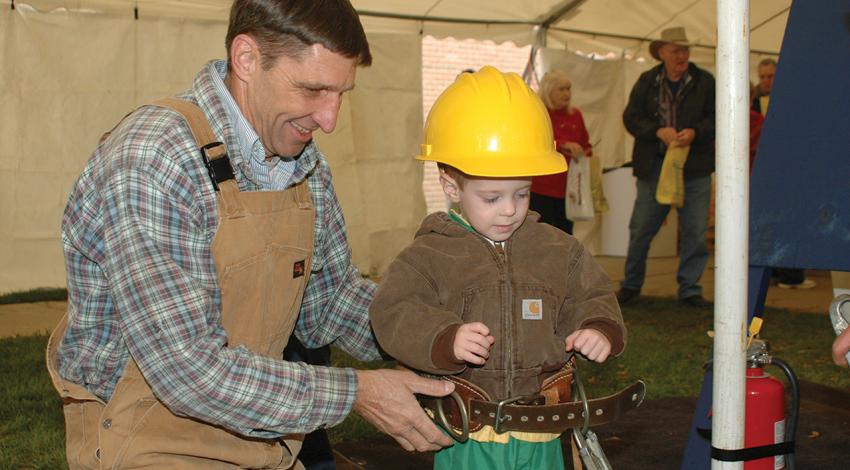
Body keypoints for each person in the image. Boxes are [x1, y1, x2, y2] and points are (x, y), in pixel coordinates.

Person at [46, 1, 455, 468]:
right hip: (149, 440)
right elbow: (186, 371)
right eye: (313, 90)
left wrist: (440, 332)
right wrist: (356, 393)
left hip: (262, 436)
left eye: (341, 93)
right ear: (246, 59)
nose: (330, 119)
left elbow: (328, 304)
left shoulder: (303, 163)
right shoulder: (156, 156)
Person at [369, 66, 626, 469]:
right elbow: (393, 312)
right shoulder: (429, 256)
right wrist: (443, 338)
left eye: (521, 193)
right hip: (467, 434)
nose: (510, 210)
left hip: (544, 432)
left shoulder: (558, 250)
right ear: (451, 186)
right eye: (491, 197)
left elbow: (591, 294)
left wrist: (598, 327)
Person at [618, 26, 715, 308]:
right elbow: (631, 117)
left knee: (695, 232)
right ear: (662, 52)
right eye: (676, 50)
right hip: (654, 168)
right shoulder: (647, 81)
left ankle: (690, 289)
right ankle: (631, 285)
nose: (682, 55)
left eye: (685, 50)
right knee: (641, 229)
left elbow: (718, 117)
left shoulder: (705, 81)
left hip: (695, 169)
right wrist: (657, 131)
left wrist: (695, 132)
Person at [530, 69, 594, 235]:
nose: (567, 93)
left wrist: (582, 152)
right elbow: (533, 142)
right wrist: (562, 145)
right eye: (561, 89)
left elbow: (587, 145)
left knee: (565, 234)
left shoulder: (576, 115)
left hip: (569, 187)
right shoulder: (538, 112)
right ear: (548, 90)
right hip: (541, 187)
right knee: (541, 234)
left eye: (568, 88)